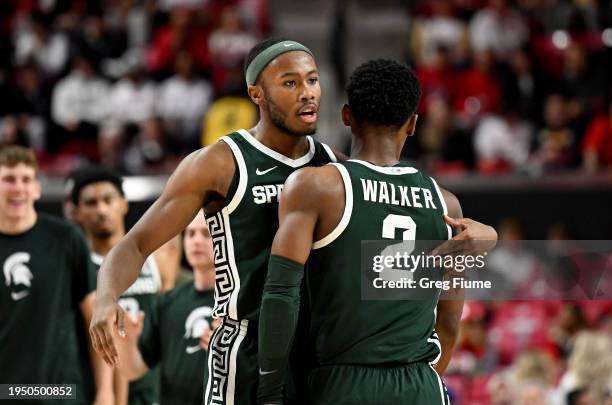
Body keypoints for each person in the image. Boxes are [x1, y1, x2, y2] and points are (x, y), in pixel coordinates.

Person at [89, 38, 342, 405]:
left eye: (313, 80)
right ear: (256, 93)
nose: (307, 93)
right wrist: (105, 297)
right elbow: (136, 244)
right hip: (245, 350)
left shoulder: (333, 163)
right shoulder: (219, 163)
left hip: (316, 351)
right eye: (290, 83)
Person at [257, 60, 498, 404]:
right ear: (413, 124)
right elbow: (448, 322)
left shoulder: (318, 186)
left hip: (342, 382)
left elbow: (280, 296)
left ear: (345, 115)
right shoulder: (447, 206)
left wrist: (269, 391)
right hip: (420, 384)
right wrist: (424, 381)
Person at [0, 146, 112, 404]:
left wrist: (105, 392)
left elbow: (94, 318)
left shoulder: (65, 239)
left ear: (37, 188)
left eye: (26, 180)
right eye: (8, 179)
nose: (18, 188)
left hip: (60, 393)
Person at [69, 166, 164, 405]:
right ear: (77, 212)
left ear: (124, 204)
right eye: (91, 203)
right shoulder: (76, 266)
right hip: (97, 389)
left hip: (150, 386)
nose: (101, 210)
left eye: (108, 200)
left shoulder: (158, 256)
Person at [114, 210, 215, 405]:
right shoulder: (168, 301)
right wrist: (126, 342)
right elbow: (133, 371)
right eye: (191, 233)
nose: (196, 241)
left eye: (206, 233)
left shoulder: (240, 301)